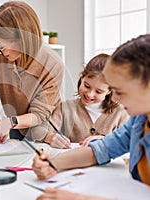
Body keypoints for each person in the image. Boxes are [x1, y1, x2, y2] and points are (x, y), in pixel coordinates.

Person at [32, 34, 150, 200]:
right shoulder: (139, 122)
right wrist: (52, 163)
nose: (114, 98)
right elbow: (99, 151)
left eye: (120, 91)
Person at [0, 1, 64, 145]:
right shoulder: (0, 55)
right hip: (15, 126)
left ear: (23, 40)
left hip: (45, 132)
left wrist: (11, 122)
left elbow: (38, 115)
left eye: (2, 46)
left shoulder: (52, 64)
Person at [37, 53, 129, 149]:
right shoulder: (65, 108)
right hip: (72, 162)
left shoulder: (121, 113)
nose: (89, 94)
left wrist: (108, 141)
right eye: (87, 86)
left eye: (98, 91)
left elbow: (131, 142)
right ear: (82, 78)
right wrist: (49, 137)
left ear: (109, 90)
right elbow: (39, 131)